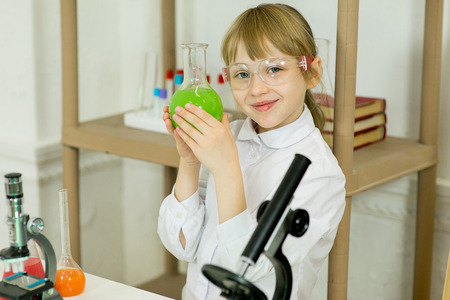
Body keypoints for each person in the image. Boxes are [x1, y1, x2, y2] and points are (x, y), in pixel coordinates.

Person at [158, 3, 345, 300]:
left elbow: (247, 273)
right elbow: (180, 244)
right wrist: (190, 160)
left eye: (274, 69)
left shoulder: (321, 174)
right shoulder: (228, 138)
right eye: (242, 74)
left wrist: (226, 167)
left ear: (311, 73)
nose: (256, 88)